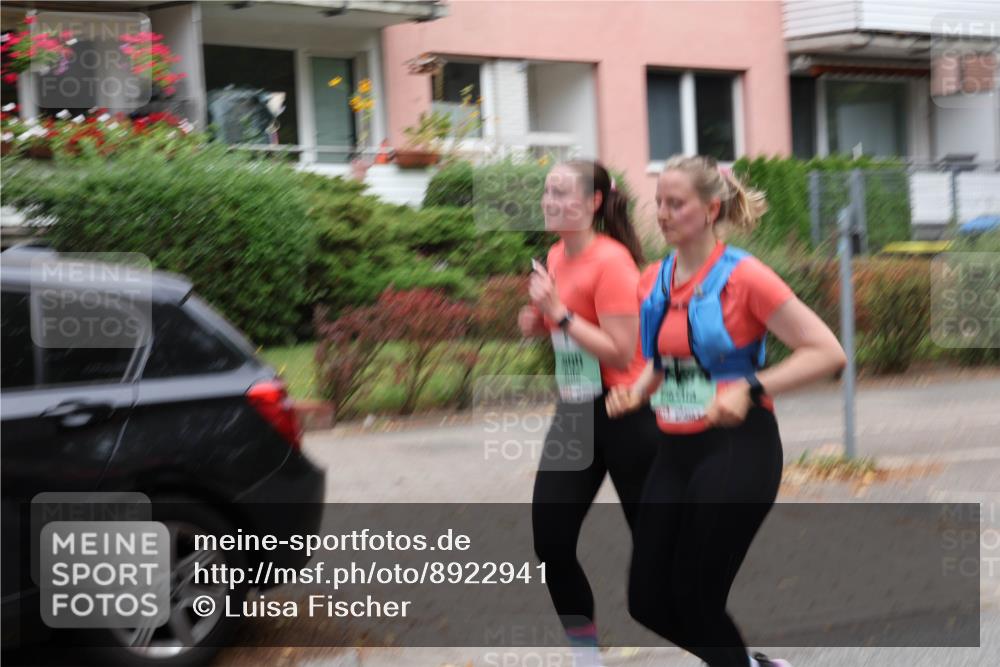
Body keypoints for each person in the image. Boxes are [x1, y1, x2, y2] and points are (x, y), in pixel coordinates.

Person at [606, 155, 847, 667]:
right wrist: (639, 390)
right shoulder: (655, 277)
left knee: (696, 597)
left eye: (677, 204)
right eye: (659, 204)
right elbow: (666, 357)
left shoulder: (746, 277)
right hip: (674, 451)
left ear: (711, 208)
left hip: (738, 450)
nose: (663, 214)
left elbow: (828, 353)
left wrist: (751, 387)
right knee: (647, 601)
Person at [519, 160, 659, 667]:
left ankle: (736, 654)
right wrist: (539, 321)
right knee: (550, 540)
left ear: (594, 203)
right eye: (547, 192)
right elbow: (568, 331)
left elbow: (622, 352)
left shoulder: (613, 262)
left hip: (626, 414)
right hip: (576, 410)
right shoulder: (556, 255)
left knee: (659, 560)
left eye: (562, 193)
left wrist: (559, 313)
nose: (551, 202)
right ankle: (586, 657)